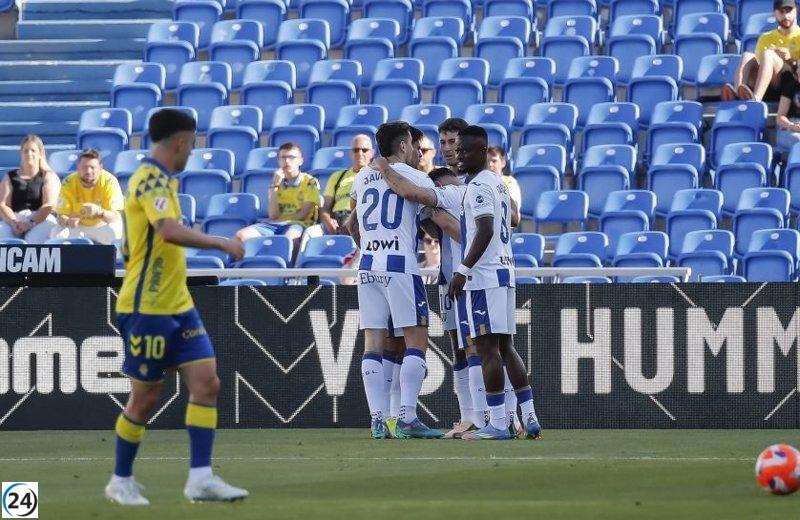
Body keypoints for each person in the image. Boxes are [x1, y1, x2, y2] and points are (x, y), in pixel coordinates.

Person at [106, 108, 247, 506]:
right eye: (192, 143)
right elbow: (166, 231)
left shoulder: (161, 181)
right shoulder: (149, 178)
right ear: (182, 142)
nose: (193, 151)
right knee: (145, 398)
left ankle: (200, 478)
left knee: (207, 383)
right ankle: (120, 479)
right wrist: (221, 243)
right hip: (147, 306)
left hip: (178, 302)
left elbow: (133, 245)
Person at [350, 121, 442, 440]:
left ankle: (379, 421)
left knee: (372, 342)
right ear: (402, 146)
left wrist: (370, 245)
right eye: (413, 146)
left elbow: (351, 224)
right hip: (400, 263)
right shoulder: (415, 176)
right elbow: (432, 207)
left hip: (368, 263)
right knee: (416, 340)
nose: (418, 152)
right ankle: (407, 417)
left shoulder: (361, 178)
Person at [448, 125, 541, 440]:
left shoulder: (476, 187)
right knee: (505, 346)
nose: (459, 156)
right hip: (505, 272)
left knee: (487, 349)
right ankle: (529, 416)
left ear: (483, 153)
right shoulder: (499, 184)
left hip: (484, 277)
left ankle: (499, 424)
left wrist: (462, 269)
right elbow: (511, 219)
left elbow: (485, 229)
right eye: (457, 150)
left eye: (465, 151)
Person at [235, 142, 320, 251]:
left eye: (291, 157)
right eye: (283, 158)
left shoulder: (310, 181)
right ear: (278, 161)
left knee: (287, 240)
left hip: (297, 224)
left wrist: (282, 220)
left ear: (300, 161)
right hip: (274, 224)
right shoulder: (277, 182)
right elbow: (273, 215)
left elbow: (303, 215)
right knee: (240, 236)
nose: (287, 161)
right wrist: (274, 186)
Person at [722, 0, 800, 101]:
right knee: (747, 56)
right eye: (781, 12)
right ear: (774, 13)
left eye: (789, 11)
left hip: (790, 85)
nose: (785, 16)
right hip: (768, 84)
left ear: (796, 11)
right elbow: (759, 65)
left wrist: (790, 59)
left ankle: (756, 99)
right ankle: (738, 93)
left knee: (768, 54)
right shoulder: (765, 37)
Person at [51, 148, 124, 245]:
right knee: (57, 233)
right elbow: (61, 216)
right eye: (84, 167)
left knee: (117, 229)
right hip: (77, 227)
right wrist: (68, 221)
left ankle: (115, 259)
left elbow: (115, 217)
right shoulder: (68, 183)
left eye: (92, 167)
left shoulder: (109, 181)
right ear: (78, 167)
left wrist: (99, 212)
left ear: (100, 168)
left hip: (101, 225)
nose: (88, 171)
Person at [0, 134, 60, 243]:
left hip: (41, 219)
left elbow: (49, 204)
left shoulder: (49, 176)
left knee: (35, 240)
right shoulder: (10, 176)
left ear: (40, 153)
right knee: (3, 235)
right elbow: (3, 204)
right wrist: (13, 222)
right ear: (21, 153)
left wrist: (30, 223)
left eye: (33, 150)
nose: (29, 154)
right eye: (26, 150)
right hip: (15, 217)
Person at [320, 135, 373, 234]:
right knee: (310, 233)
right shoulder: (337, 177)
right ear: (351, 153)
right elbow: (326, 206)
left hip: (360, 219)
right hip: (336, 219)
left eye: (364, 150)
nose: (360, 153)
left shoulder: (376, 177)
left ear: (372, 153)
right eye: (356, 150)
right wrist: (328, 221)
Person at [487, 146, 522, 223]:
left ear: (503, 162)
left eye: (494, 161)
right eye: (487, 161)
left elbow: (512, 210)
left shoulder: (510, 182)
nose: (490, 164)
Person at [776, 59, 800, 151]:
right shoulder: (791, 86)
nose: (797, 70)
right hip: (791, 127)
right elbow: (780, 117)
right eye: (798, 67)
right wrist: (791, 126)